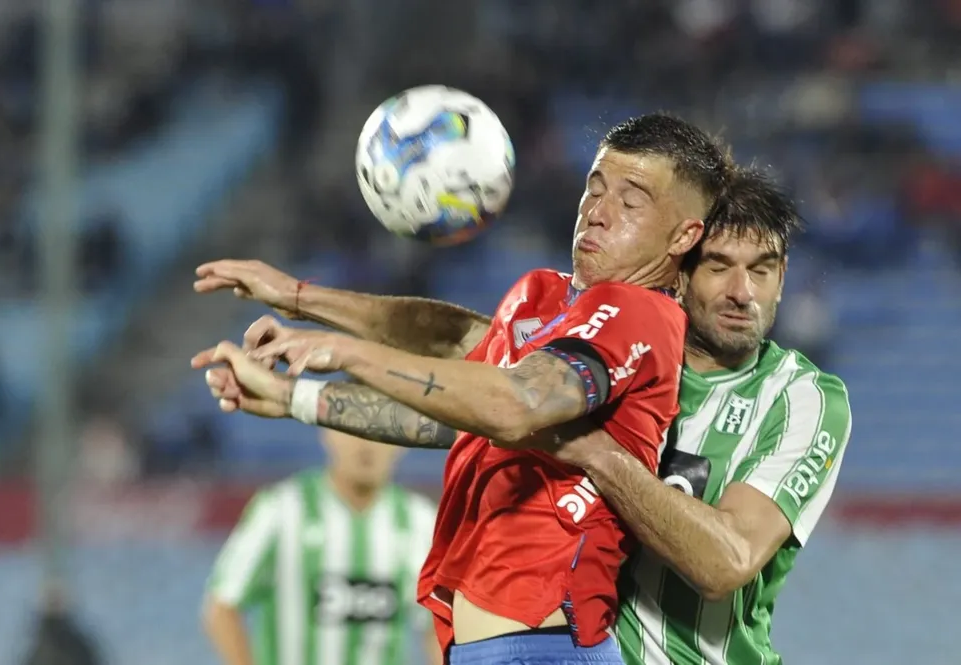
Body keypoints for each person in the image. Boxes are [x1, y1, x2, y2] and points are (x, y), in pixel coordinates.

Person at [193, 113, 731, 664]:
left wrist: (345, 352)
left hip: (547, 647)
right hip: (496, 648)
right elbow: (451, 368)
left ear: (683, 235)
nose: (597, 211)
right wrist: (297, 360)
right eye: (594, 188)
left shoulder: (635, 312)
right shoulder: (547, 298)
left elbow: (516, 403)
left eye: (631, 201)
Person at [520, 168, 852, 664]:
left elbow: (726, 561)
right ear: (680, 274)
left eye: (761, 271)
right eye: (719, 267)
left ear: (781, 280)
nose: (743, 293)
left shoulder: (803, 399)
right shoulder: (616, 356)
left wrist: (591, 448)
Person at [203, 428, 441, 665]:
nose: (367, 444)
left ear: (403, 442)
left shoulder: (419, 521)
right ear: (328, 433)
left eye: (381, 430)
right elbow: (222, 608)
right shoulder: (282, 508)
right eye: (354, 429)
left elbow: (435, 626)